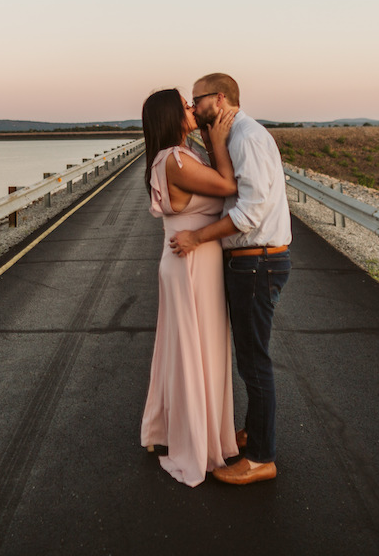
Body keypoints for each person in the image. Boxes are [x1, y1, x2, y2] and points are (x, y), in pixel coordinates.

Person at [170, 73, 292, 485]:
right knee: (249, 358)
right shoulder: (231, 136)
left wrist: (196, 237)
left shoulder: (246, 138)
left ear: (219, 98)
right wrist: (212, 145)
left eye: (197, 99)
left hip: (257, 261)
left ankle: (261, 458)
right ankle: (255, 434)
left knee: (254, 361)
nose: (193, 105)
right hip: (251, 261)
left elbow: (250, 213)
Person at [139, 88, 240, 487]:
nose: (191, 109)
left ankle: (168, 428)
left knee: (185, 348)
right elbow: (228, 185)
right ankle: (196, 438)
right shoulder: (178, 159)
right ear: (171, 117)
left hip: (190, 260)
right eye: (184, 105)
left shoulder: (179, 155)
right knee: (198, 348)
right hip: (191, 261)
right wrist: (217, 141)